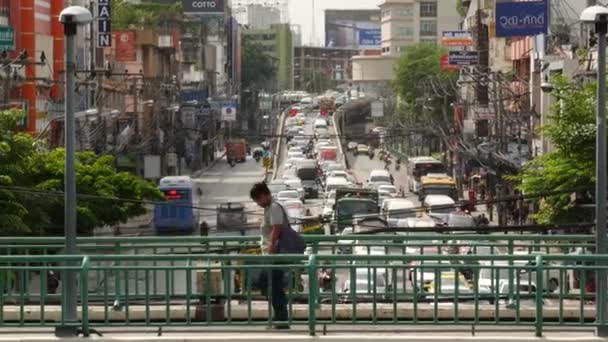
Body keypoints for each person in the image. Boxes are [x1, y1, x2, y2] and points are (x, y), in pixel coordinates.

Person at [250, 182, 291, 329]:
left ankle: (282, 318)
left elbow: (277, 228)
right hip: (272, 254)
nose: (258, 204)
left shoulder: (273, 207)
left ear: (264, 195)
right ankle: (280, 315)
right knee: (271, 284)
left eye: (258, 200)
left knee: (271, 284)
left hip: (276, 254)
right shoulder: (269, 208)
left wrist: (272, 247)